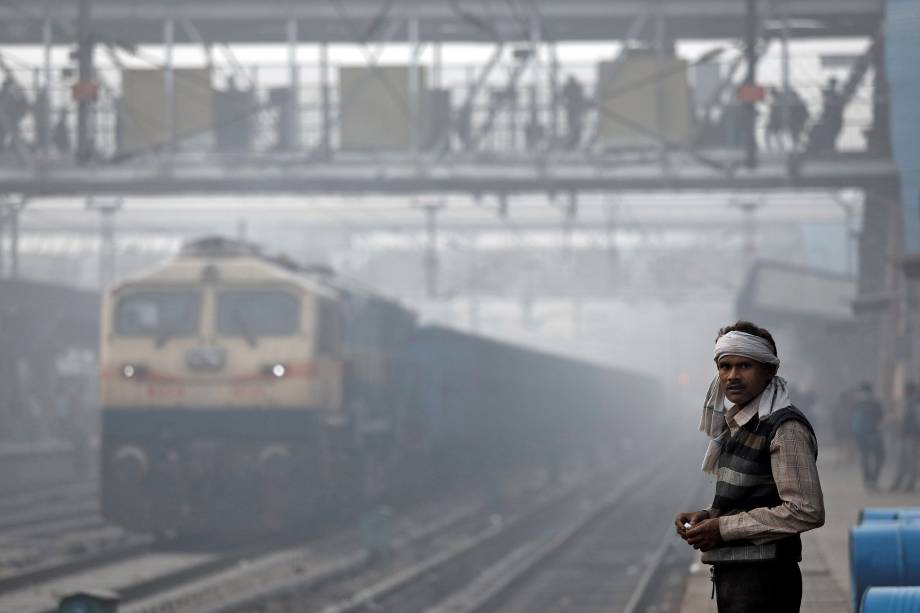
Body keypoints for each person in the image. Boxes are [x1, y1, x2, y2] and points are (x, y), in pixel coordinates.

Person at [675, 321, 824, 613]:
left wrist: (722, 528)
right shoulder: (743, 423)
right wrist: (709, 516)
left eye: (744, 366)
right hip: (740, 576)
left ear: (769, 371)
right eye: (724, 366)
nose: (732, 376)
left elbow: (806, 510)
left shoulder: (784, 428)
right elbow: (753, 495)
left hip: (765, 579)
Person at [849, 382, 885, 490]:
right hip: (874, 434)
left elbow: (852, 421)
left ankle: (868, 481)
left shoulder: (857, 404)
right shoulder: (875, 404)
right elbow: (881, 418)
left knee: (865, 457)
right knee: (880, 456)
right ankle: (874, 479)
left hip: (861, 436)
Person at [890, 381, 918, 492]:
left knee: (909, 461)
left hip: (911, 436)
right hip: (906, 435)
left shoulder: (913, 403)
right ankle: (900, 483)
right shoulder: (909, 403)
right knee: (904, 460)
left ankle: (908, 483)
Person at [561, 75, 586, 150]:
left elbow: (563, 96)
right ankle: (573, 141)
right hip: (574, 109)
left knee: (574, 125)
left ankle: (573, 141)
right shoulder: (576, 87)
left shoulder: (569, 87)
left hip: (573, 109)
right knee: (574, 125)